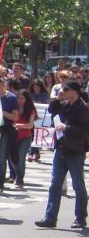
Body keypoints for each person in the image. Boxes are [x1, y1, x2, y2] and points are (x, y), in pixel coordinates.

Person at [35, 80, 89, 228]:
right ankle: (50, 217)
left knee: (78, 184)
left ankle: (80, 218)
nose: (62, 92)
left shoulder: (82, 108)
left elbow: (84, 130)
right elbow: (51, 110)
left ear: (74, 92)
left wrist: (67, 127)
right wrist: (57, 99)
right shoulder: (64, 104)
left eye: (66, 90)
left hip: (75, 151)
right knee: (55, 184)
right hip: (61, 149)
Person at [13, 90, 38, 189]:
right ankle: (16, 174)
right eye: (18, 98)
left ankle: (19, 180)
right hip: (13, 136)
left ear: (26, 99)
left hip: (25, 137)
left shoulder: (30, 110)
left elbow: (30, 125)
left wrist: (20, 126)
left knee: (21, 158)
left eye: (22, 98)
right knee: (12, 158)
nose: (19, 100)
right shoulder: (14, 107)